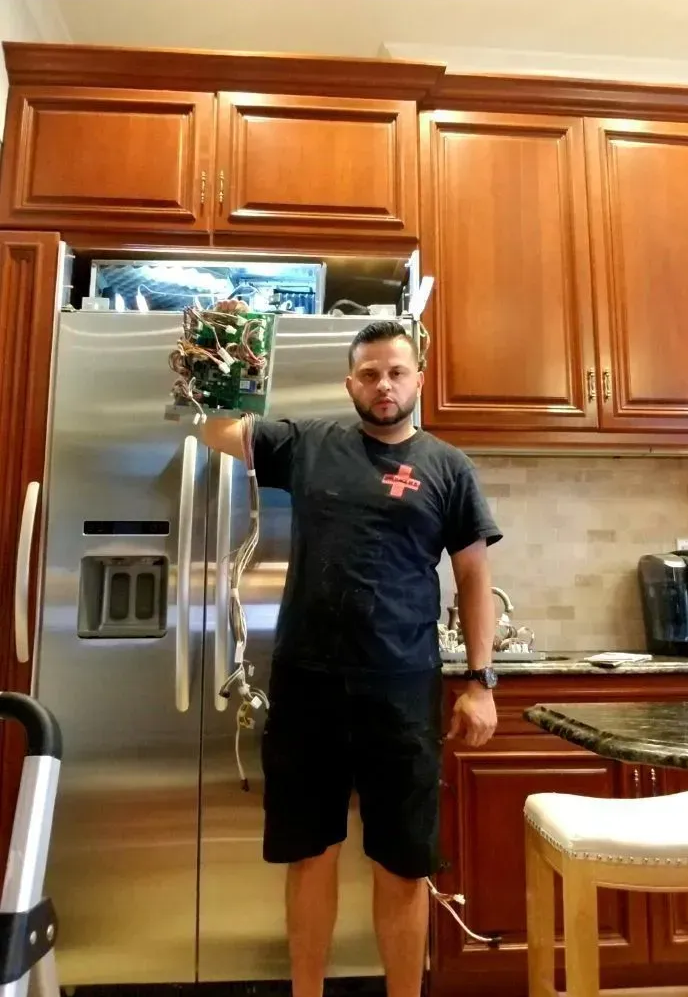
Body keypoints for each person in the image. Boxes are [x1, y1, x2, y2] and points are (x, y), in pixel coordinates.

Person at [201, 320, 502, 997]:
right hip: (307, 684)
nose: (384, 385)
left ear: (418, 379)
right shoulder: (306, 443)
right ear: (350, 383)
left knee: (402, 861)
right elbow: (214, 433)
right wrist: (222, 355)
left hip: (402, 689)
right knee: (310, 852)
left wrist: (480, 681)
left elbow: (474, 579)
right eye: (369, 373)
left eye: (396, 372)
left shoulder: (448, 467)